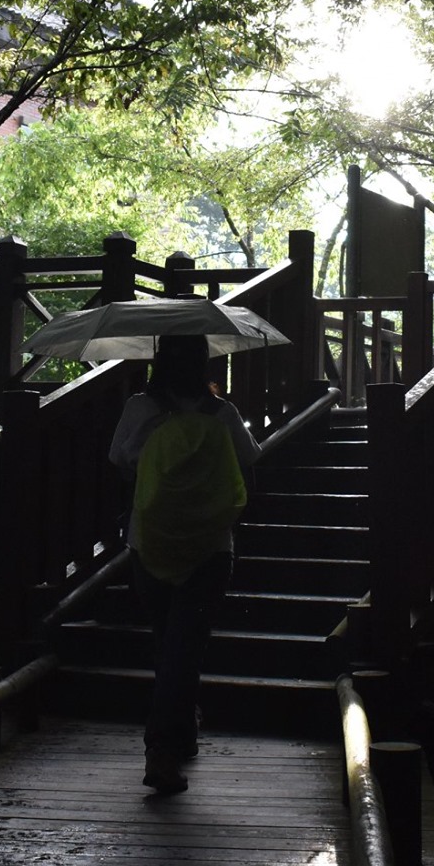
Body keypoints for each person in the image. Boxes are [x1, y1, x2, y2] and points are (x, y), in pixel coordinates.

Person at [109, 333, 260, 793]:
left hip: (149, 541)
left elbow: (120, 460)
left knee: (169, 641)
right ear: (205, 362)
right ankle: (164, 747)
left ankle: (173, 738)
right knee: (185, 643)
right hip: (211, 545)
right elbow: (250, 460)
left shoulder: (140, 409)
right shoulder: (223, 413)